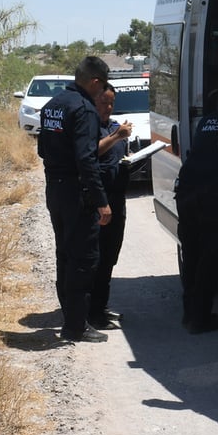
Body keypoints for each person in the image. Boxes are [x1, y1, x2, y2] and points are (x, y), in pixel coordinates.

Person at [38, 56, 112, 343]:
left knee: (64, 254)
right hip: (77, 193)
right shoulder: (84, 110)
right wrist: (101, 200)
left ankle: (70, 317)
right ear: (95, 82)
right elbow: (87, 159)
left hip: (55, 190)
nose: (102, 92)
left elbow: (43, 150)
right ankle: (76, 326)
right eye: (102, 86)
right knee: (84, 259)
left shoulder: (52, 105)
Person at [175, 90, 218, 334]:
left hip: (188, 190)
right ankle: (201, 319)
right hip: (211, 197)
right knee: (211, 260)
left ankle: (189, 313)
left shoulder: (204, 122)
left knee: (192, 256)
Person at [89, 82, 133, 330]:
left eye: (111, 103)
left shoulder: (115, 126)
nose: (108, 108)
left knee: (110, 256)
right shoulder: (90, 127)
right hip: (99, 200)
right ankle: (92, 313)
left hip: (118, 198)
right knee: (97, 256)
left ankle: (101, 307)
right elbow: (90, 153)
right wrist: (116, 136)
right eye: (103, 103)